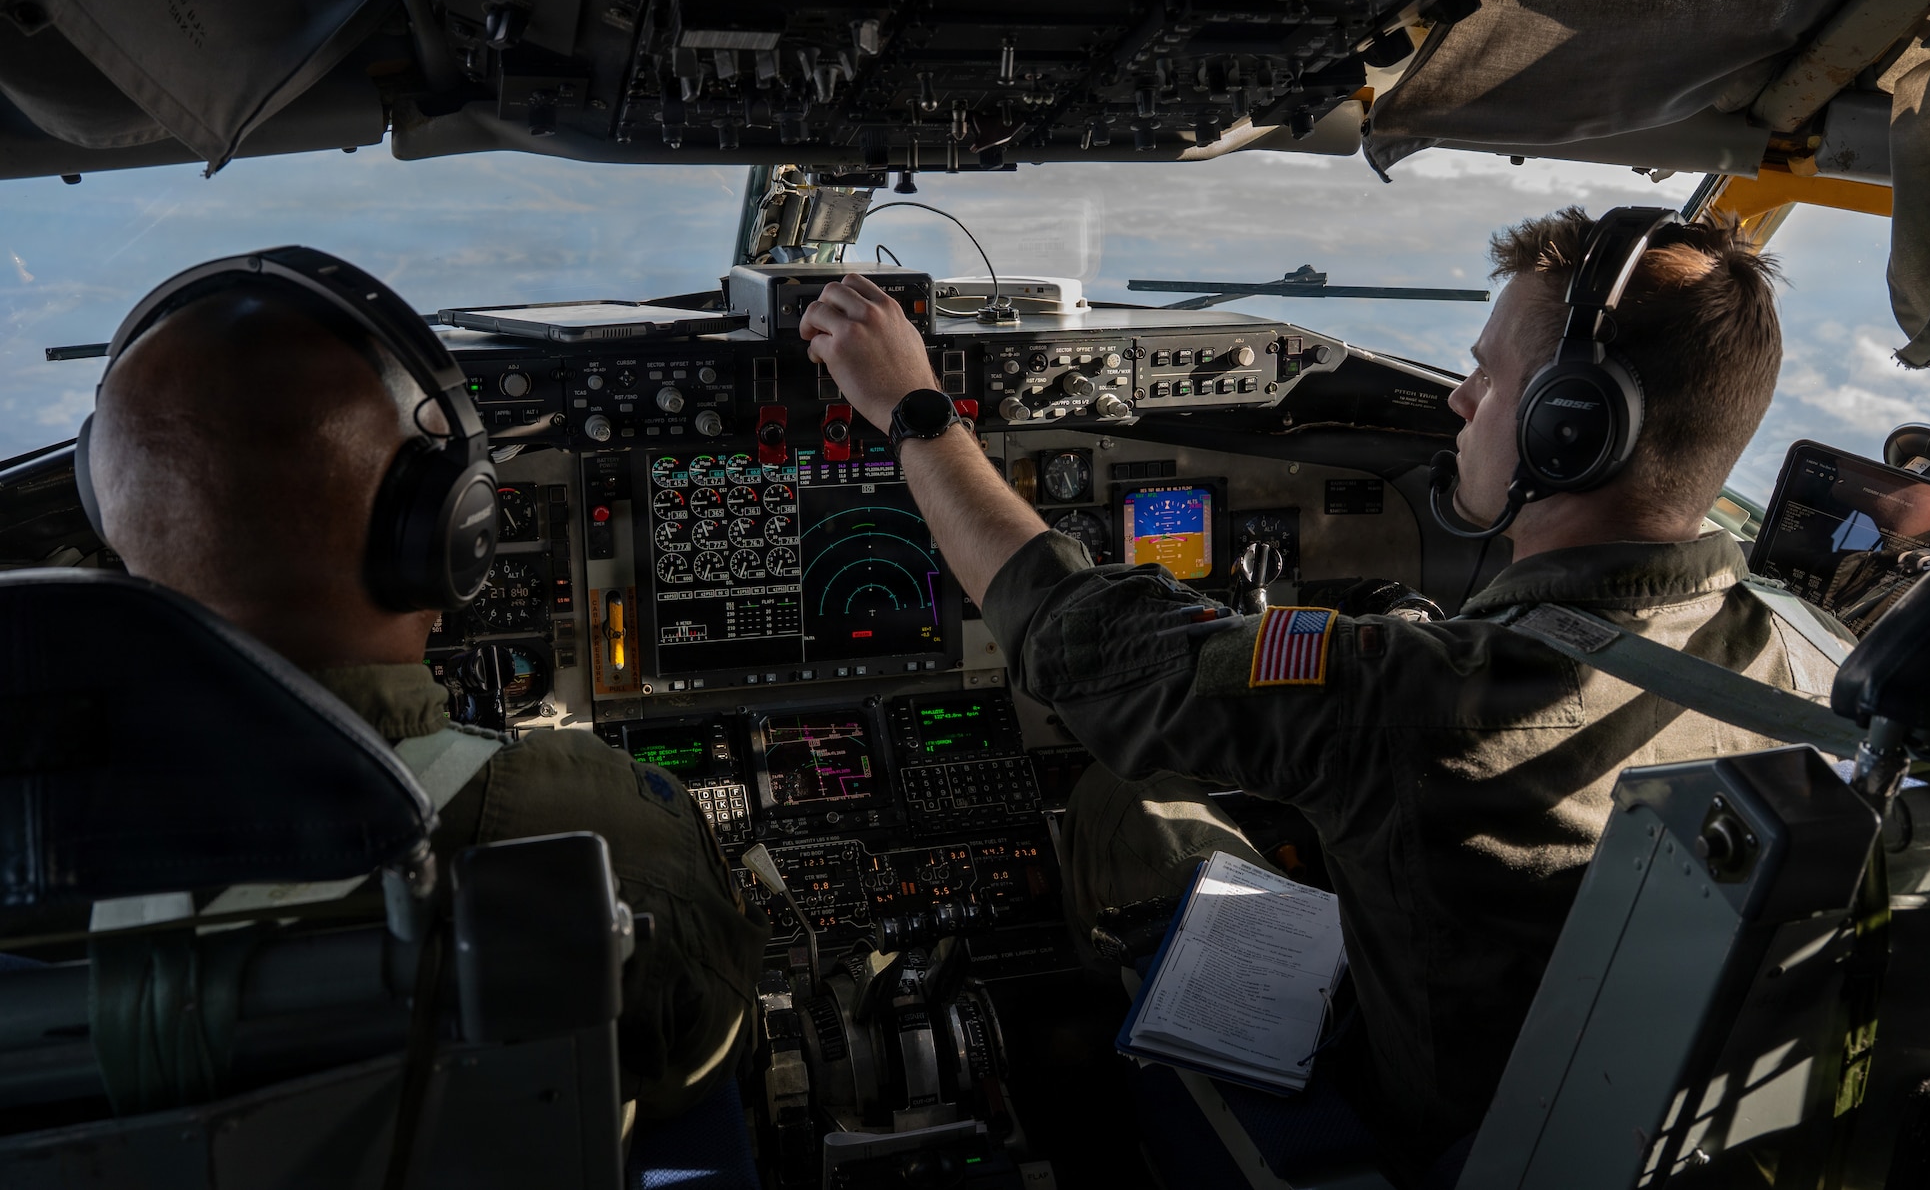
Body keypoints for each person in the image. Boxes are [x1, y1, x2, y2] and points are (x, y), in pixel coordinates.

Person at [798, 207, 1837, 1182]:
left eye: (1485, 374)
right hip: (1627, 1124)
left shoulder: (1412, 694)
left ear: (1574, 424)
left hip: (1433, 1133)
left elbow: (1083, 643)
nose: (1457, 400)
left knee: (1131, 801)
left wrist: (912, 409)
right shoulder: (1770, 658)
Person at [87, 277, 767, 1120]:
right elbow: (708, 1041)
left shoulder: (39, 853)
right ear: (449, 537)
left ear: (109, 518)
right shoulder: (597, 831)